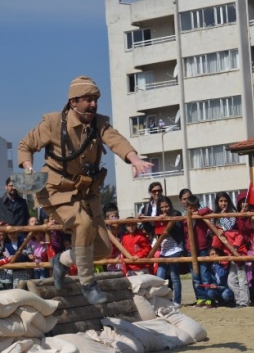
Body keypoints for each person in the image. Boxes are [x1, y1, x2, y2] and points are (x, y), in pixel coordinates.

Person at [18, 76, 152, 304]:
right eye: (88, 100)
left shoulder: (99, 123)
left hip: (87, 192)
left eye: (96, 100)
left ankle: (62, 261)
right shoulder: (52, 123)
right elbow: (25, 145)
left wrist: (134, 158)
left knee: (101, 250)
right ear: (73, 102)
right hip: (55, 190)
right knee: (83, 224)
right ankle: (88, 283)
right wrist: (29, 169)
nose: (93, 104)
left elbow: (115, 140)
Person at [155, 196, 184, 307]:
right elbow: (149, 227)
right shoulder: (158, 217)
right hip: (164, 250)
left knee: (174, 276)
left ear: (170, 206)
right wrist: (141, 217)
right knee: (160, 276)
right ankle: (161, 300)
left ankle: (177, 301)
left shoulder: (176, 214)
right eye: (162, 207)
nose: (164, 209)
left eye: (166, 206)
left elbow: (178, 230)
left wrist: (168, 220)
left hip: (175, 248)